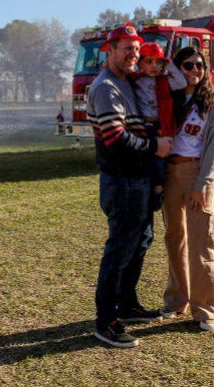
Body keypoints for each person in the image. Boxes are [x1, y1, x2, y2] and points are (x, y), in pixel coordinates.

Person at [86, 23, 172, 348]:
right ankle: (106, 321)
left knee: (141, 241)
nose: (134, 55)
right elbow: (115, 138)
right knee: (120, 249)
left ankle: (127, 305)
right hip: (122, 181)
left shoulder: (128, 84)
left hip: (139, 180)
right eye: (126, 49)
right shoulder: (106, 87)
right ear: (110, 50)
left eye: (137, 49)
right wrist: (155, 148)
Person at [161, 46, 214, 331]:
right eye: (188, 65)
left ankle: (208, 307)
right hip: (171, 173)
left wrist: (202, 183)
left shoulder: (212, 101)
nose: (195, 70)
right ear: (178, 68)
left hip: (198, 174)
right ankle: (177, 300)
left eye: (200, 65)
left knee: (201, 241)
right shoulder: (168, 98)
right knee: (175, 237)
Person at [133, 42, 186, 212]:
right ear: (140, 63)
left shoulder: (164, 81)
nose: (154, 66)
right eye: (149, 61)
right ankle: (155, 188)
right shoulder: (135, 80)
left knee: (159, 159)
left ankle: (158, 189)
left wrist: (169, 65)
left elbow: (182, 82)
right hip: (143, 126)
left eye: (158, 62)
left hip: (160, 126)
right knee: (148, 160)